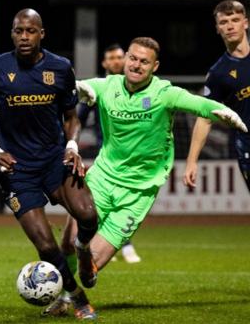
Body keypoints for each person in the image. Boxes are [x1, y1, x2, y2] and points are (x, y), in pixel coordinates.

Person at [50, 37, 247, 316]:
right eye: (133, 58)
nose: (136, 65)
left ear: (155, 66)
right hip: (102, 177)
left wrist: (226, 112)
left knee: (90, 268)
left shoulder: (163, 93)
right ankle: (66, 298)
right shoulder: (109, 86)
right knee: (68, 241)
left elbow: (199, 104)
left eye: (144, 61)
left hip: (139, 192)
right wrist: (67, 87)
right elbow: (79, 87)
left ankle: (84, 266)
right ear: (126, 58)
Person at [0, 8, 99, 320]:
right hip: (17, 171)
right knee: (45, 243)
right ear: (12, 33)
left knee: (89, 215)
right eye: (18, 31)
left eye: (30, 31)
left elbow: (71, 116)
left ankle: (82, 252)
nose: (24, 37)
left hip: (55, 160)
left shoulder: (61, 68)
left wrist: (71, 145)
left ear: (42, 33)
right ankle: (76, 297)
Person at [66, 44, 142, 265]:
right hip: (107, 157)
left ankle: (119, 244)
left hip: (133, 158)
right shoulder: (98, 89)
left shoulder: (137, 86)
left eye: (120, 57)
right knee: (101, 203)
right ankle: (119, 245)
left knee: (125, 203)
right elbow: (78, 117)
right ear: (105, 63)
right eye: (112, 58)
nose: (117, 61)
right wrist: (73, 145)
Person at [185, 0, 250, 192]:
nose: (230, 26)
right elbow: (205, 118)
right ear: (217, 29)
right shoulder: (218, 73)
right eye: (224, 22)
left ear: (245, 23)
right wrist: (191, 161)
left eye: (235, 20)